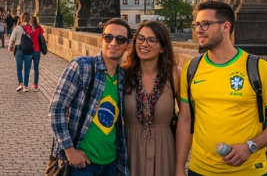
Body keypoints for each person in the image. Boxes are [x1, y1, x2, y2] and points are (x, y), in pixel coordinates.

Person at [175, 1, 267, 176]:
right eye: (197, 24)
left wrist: (250, 146)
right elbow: (185, 121)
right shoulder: (192, 69)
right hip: (200, 170)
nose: (198, 30)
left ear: (225, 27)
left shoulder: (258, 68)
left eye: (205, 24)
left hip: (248, 171)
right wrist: (179, 167)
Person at [48, 18, 131, 176]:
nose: (113, 42)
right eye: (108, 37)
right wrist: (69, 150)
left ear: (128, 45)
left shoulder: (123, 78)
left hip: (111, 163)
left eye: (120, 39)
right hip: (81, 164)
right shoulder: (81, 66)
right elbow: (56, 109)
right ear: (101, 39)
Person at [122, 20, 180, 176]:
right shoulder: (123, 74)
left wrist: (180, 166)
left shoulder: (174, 75)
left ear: (162, 47)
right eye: (140, 38)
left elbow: (186, 119)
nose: (144, 44)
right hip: (130, 147)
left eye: (152, 40)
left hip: (164, 149)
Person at [8, 12, 34, 92]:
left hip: (19, 49)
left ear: (21, 18)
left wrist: (10, 49)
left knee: (19, 68)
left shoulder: (17, 28)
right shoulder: (32, 28)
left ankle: (20, 84)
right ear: (29, 19)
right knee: (27, 68)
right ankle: (26, 86)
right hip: (29, 50)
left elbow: (12, 39)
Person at [25, 15, 45, 91]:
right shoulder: (39, 28)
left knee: (28, 68)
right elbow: (43, 38)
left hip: (29, 51)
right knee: (36, 68)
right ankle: (35, 84)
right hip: (37, 51)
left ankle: (26, 84)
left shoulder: (27, 28)